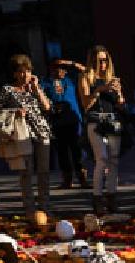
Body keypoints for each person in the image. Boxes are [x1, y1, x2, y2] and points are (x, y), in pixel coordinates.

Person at [0, 54, 52, 215]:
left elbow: (47, 107)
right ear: (14, 73)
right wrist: (15, 111)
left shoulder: (36, 88)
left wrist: (37, 88)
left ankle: (45, 207)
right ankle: (29, 208)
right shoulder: (8, 90)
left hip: (42, 132)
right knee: (26, 172)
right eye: (20, 71)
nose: (24, 75)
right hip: (21, 134)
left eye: (27, 71)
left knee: (44, 171)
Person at [79, 45, 126, 213]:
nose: (102, 64)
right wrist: (99, 89)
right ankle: (97, 198)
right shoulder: (86, 78)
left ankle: (112, 197)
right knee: (102, 159)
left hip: (112, 122)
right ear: (92, 61)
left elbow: (121, 106)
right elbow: (86, 105)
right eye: (99, 60)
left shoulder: (112, 78)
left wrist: (119, 94)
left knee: (114, 160)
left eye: (105, 60)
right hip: (95, 122)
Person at [42, 59, 87, 189]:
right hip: (56, 122)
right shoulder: (45, 82)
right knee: (62, 152)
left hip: (73, 121)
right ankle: (67, 180)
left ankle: (82, 178)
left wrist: (71, 63)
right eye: (58, 68)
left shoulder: (70, 80)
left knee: (77, 150)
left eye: (63, 68)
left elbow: (86, 71)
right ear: (51, 69)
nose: (62, 71)